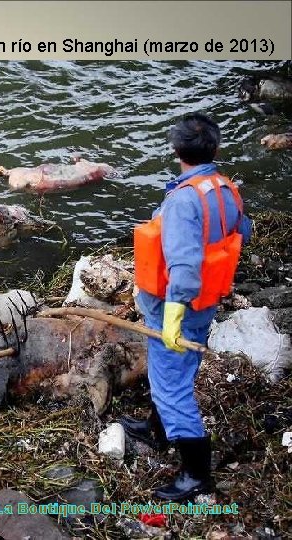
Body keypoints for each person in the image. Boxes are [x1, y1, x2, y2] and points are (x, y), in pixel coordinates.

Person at [125, 113, 252, 501]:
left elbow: (183, 269)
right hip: (206, 303)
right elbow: (240, 231)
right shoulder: (225, 189)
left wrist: (173, 317)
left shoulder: (183, 201)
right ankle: (157, 428)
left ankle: (196, 474)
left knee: (172, 389)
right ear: (215, 148)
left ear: (176, 150)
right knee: (172, 374)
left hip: (175, 305)